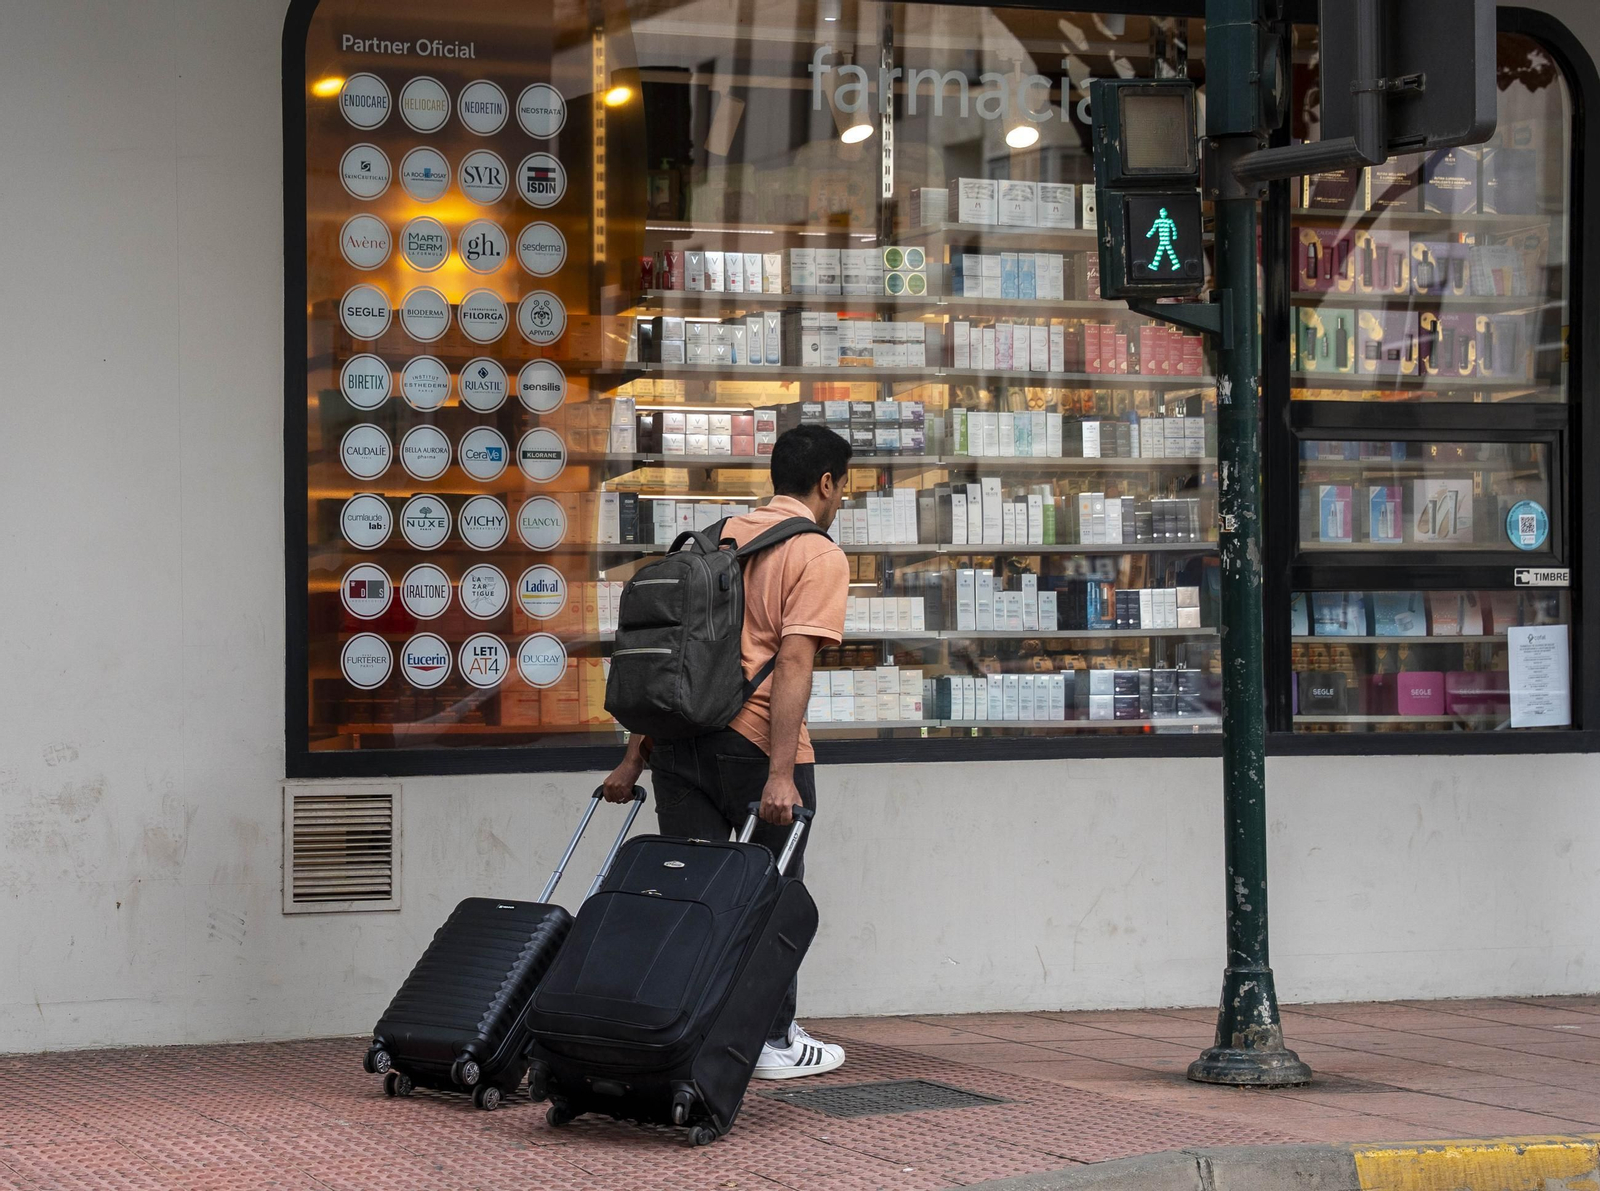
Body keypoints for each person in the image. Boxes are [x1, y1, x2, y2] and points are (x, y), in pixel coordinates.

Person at [602, 424, 852, 1079]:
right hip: (756, 752)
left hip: (680, 748)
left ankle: (688, 1029)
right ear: (826, 482)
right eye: (842, 488)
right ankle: (770, 1039)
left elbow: (671, 660)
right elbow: (794, 659)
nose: (840, 501)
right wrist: (779, 773)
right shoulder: (816, 554)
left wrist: (635, 759)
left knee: (693, 899)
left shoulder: (713, 541)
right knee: (771, 898)